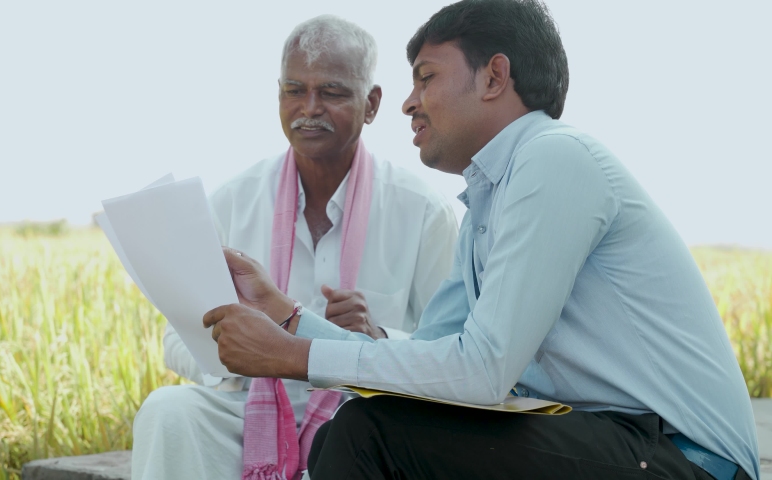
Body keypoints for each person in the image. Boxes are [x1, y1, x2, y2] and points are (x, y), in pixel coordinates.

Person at [203, 1, 761, 478]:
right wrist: (289, 318)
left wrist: (292, 356)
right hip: (608, 441)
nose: (407, 102)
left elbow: (483, 370)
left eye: (426, 77)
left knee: (368, 433)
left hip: (685, 459)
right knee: (343, 437)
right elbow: (426, 359)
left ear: (495, 77)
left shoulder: (554, 158)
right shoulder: (489, 201)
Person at [130, 14, 459, 480]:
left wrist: (379, 338)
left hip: (364, 420)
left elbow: (453, 350)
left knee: (359, 432)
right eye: (293, 90)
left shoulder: (423, 210)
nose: (309, 108)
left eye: (331, 92)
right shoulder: (232, 199)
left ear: (372, 103)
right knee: (170, 411)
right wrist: (242, 349)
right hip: (249, 414)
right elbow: (176, 339)